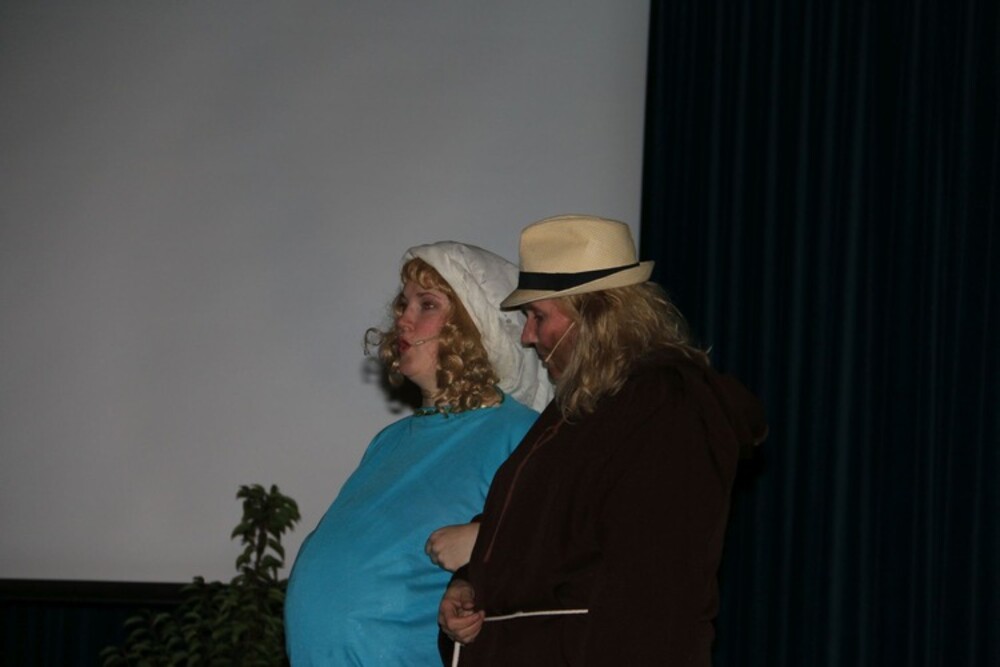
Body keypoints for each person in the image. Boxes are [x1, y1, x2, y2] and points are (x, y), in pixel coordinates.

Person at [439, 215, 768, 666]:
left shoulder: (668, 407)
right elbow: (548, 532)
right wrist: (469, 582)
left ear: (596, 315)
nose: (528, 336)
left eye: (538, 316)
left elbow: (655, 593)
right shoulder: (581, 407)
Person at [285, 242, 551, 665]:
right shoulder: (388, 440)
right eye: (403, 304)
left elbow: (548, 553)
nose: (403, 319)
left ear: (475, 324)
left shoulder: (520, 433)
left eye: (427, 305)